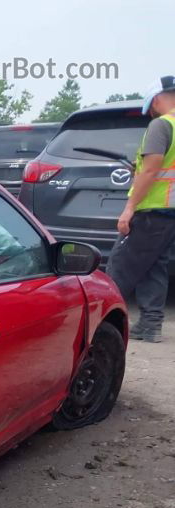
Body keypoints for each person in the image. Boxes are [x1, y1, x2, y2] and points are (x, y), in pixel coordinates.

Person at [108, 75, 175, 343]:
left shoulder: (161, 125)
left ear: (157, 99)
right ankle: (149, 325)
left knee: (118, 269)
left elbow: (151, 170)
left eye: (150, 107)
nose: (151, 112)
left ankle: (97, 325)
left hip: (151, 211)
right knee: (154, 267)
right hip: (170, 212)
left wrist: (129, 209)